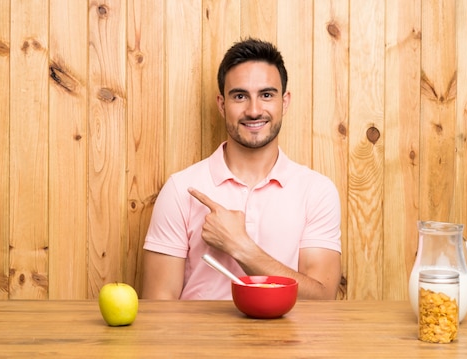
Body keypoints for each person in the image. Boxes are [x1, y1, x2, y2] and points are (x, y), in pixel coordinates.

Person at [141, 38, 342, 300]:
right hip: (200, 341)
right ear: (222, 104)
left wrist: (240, 246)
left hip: (288, 342)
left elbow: (322, 297)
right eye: (240, 96)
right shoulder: (181, 190)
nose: (254, 110)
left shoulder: (316, 191)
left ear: (285, 102)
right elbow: (158, 309)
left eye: (267, 95)